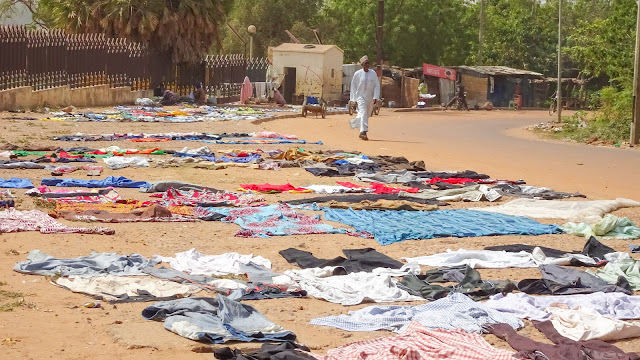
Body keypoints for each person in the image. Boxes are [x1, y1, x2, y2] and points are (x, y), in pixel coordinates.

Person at [349, 55, 380, 141]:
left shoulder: (373, 73)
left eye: (368, 63)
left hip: (370, 97)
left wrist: (376, 97)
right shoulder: (357, 74)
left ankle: (356, 124)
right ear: (362, 64)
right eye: (365, 63)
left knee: (366, 114)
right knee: (363, 112)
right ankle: (363, 132)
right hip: (360, 96)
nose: (367, 65)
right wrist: (353, 100)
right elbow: (353, 87)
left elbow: (377, 85)